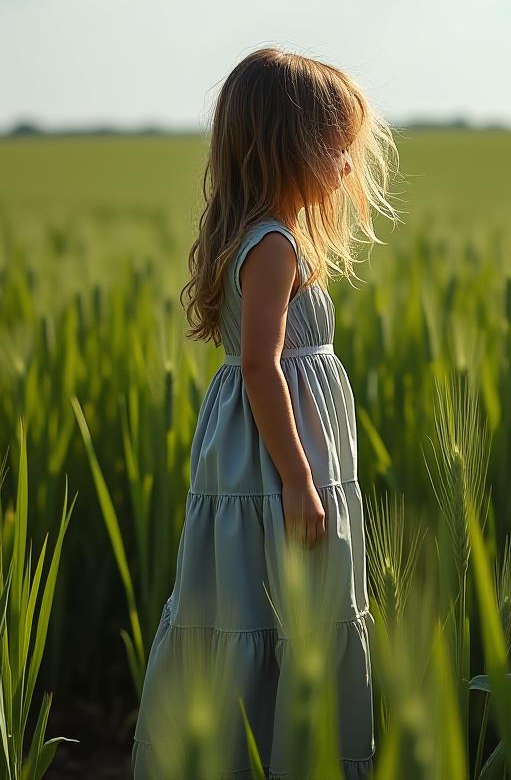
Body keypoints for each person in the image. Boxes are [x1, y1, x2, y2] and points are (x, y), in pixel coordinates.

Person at [131, 47, 403, 778]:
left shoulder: (262, 236)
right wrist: (299, 480)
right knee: (286, 611)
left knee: (252, 610)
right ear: (290, 146)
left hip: (263, 459)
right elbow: (260, 366)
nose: (349, 163)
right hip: (273, 467)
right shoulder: (275, 246)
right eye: (337, 144)